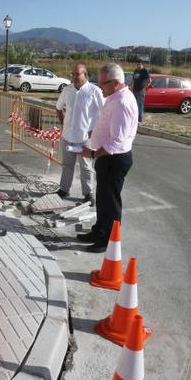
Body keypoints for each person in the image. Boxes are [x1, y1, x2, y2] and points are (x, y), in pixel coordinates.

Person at [78, 63, 138, 253]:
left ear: (117, 82)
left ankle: (108, 241)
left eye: (103, 83)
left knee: (111, 203)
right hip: (108, 158)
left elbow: (116, 142)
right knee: (103, 198)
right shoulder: (114, 96)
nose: (100, 86)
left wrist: (92, 153)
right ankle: (99, 231)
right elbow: (108, 124)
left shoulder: (122, 102)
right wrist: (94, 132)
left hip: (114, 159)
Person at [55, 63, 104, 202]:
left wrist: (97, 130)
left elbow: (104, 112)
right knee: (67, 165)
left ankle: (88, 193)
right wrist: (63, 123)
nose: (75, 77)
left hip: (85, 138)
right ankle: (64, 189)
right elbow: (58, 107)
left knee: (87, 167)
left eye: (78, 74)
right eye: (73, 74)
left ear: (85, 75)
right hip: (68, 136)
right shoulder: (67, 90)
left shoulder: (94, 91)